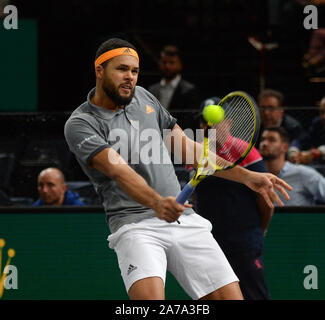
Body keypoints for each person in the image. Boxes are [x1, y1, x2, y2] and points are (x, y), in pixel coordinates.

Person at [64, 38, 291, 300]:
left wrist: (248, 177)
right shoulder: (81, 123)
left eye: (135, 71)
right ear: (99, 70)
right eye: (122, 69)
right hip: (134, 226)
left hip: (183, 218)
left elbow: (189, 148)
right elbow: (118, 171)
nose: (130, 77)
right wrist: (158, 203)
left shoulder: (145, 98)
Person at [188, 97, 273, 300]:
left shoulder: (246, 152)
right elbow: (194, 196)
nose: (209, 126)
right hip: (209, 242)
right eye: (204, 122)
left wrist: (258, 230)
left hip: (243, 241)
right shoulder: (194, 153)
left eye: (216, 121)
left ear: (229, 123)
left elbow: (266, 199)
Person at [259, 126, 325, 206]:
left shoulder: (303, 173)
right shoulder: (254, 175)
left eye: (272, 140)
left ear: (285, 147)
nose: (264, 143)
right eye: (262, 139)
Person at [148, 44, 200, 111]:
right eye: (164, 62)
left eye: (172, 63)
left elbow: (189, 118)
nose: (167, 66)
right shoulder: (152, 89)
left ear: (180, 64)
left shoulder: (189, 90)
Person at [289, 96, 325, 165]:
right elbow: (303, 139)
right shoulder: (317, 123)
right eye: (322, 112)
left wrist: (318, 152)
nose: (324, 116)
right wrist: (293, 152)